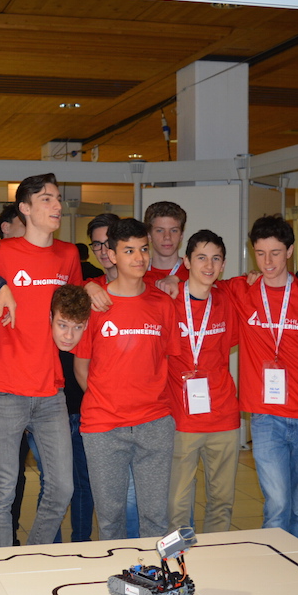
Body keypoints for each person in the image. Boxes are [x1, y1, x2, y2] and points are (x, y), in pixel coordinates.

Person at [219, 215, 298, 544]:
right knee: (277, 505)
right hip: (266, 419)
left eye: (275, 252)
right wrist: (170, 281)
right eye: (260, 253)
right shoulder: (242, 290)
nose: (268, 262)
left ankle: (297, 567)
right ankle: (273, 566)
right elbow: (200, 280)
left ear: (289, 251)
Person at [0, 173, 84, 547]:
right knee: (3, 490)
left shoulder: (68, 255)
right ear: (24, 208)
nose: (57, 205)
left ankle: (33, 554)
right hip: (4, 390)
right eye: (46, 199)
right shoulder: (2, 253)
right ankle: (2, 564)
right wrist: (0, 286)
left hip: (50, 391)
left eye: (58, 198)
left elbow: (74, 307)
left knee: (61, 487)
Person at [73, 218, 178, 540]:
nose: (139, 258)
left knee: (156, 517)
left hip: (154, 424)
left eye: (144, 249)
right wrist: (108, 400)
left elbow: (166, 360)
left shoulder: (163, 304)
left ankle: (156, 570)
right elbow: (81, 366)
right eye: (129, 251)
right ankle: (116, 569)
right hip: (104, 427)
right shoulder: (95, 304)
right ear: (112, 255)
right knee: (110, 519)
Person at [166, 229, 241, 535]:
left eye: (216, 259)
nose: (209, 265)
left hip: (224, 416)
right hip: (182, 420)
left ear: (223, 264)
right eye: (201, 258)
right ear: (186, 261)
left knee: (222, 502)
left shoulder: (227, 300)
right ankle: (178, 560)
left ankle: (216, 556)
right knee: (177, 505)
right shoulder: (167, 301)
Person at [50, 284, 95, 541]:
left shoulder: (88, 338)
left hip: (82, 413)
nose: (69, 335)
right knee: (53, 484)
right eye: (63, 325)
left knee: (82, 483)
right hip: (47, 415)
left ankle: (82, 542)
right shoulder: (41, 340)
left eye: (78, 327)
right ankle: (52, 547)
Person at [142, 201, 190, 288]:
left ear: (181, 235)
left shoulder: (195, 272)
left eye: (174, 230)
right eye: (160, 230)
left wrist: (181, 283)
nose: (167, 237)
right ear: (149, 236)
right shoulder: (136, 272)